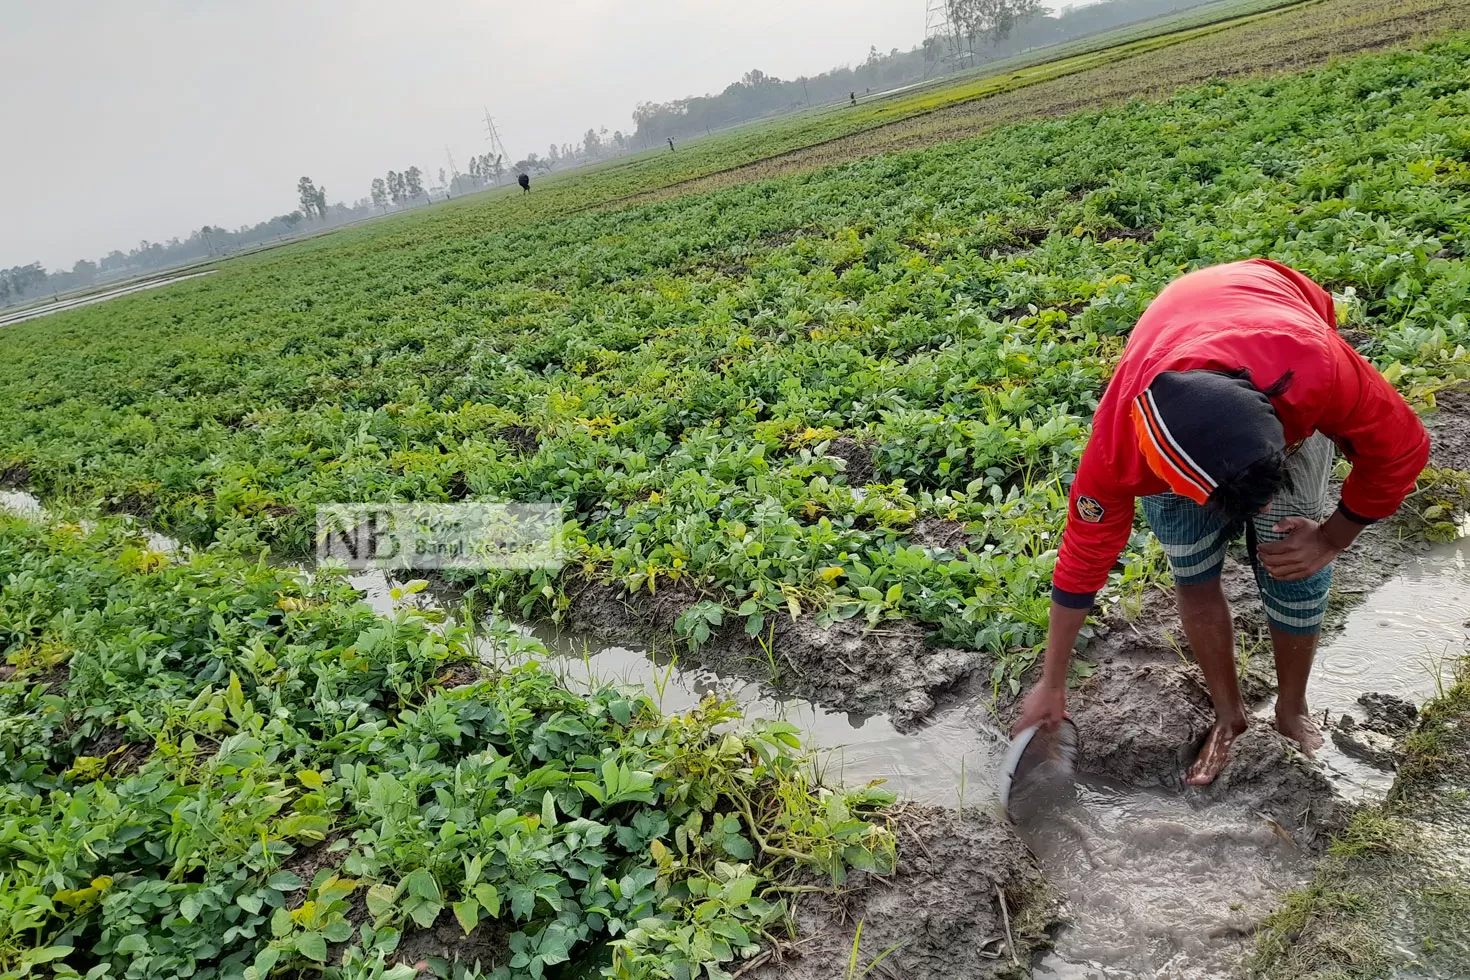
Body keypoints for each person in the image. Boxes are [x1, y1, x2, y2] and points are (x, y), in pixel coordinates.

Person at [1013, 259, 1430, 785]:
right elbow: (1083, 560)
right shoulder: (1119, 453)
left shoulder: (1320, 369)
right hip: (1180, 355)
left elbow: (1402, 450)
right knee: (1193, 568)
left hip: (1273, 327)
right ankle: (1228, 717)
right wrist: (1052, 682)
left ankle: (1291, 709)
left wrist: (1331, 537)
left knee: (1293, 563)